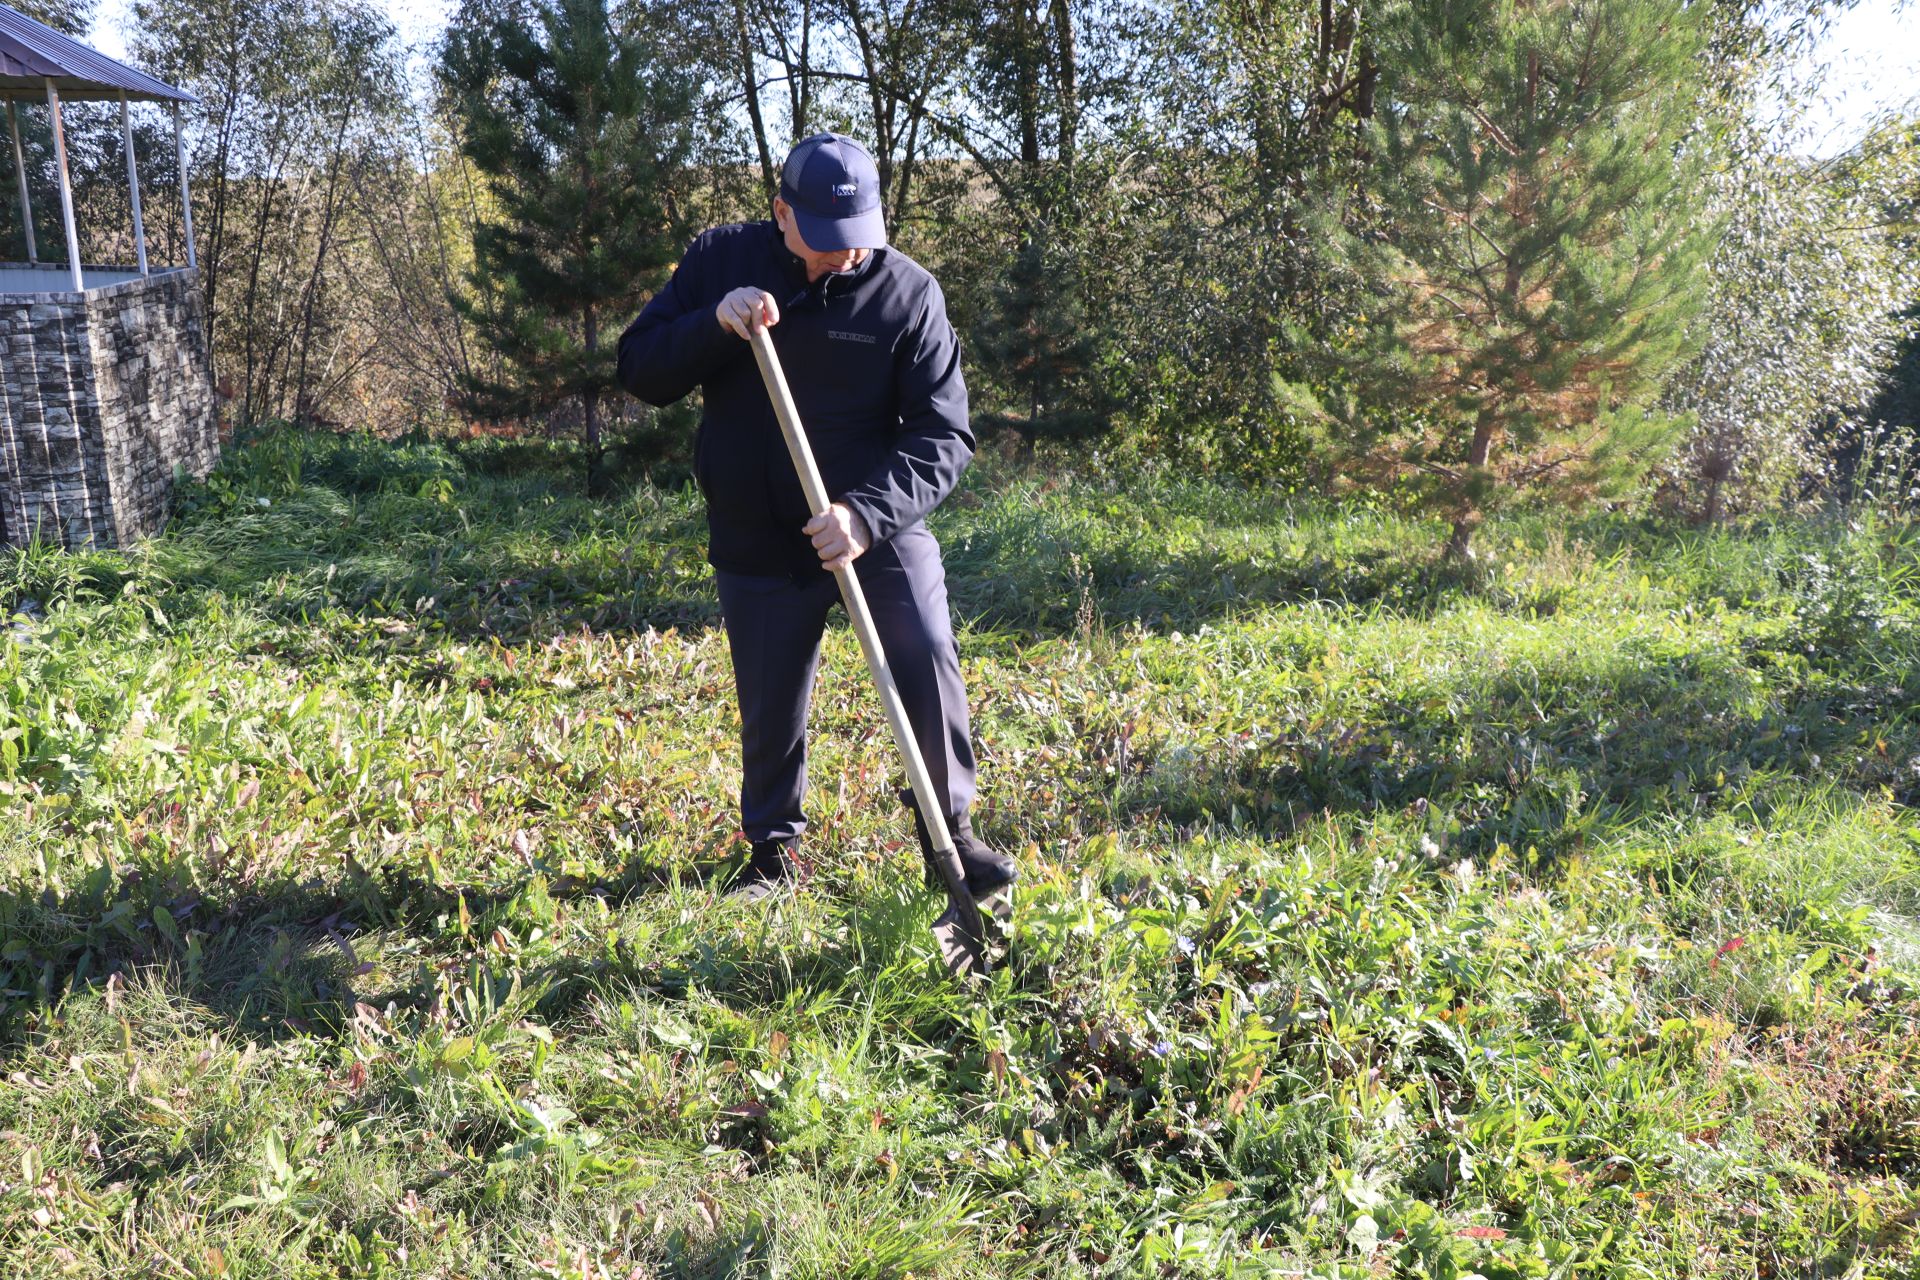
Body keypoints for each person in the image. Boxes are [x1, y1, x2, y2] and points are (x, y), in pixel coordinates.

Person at [616, 132, 1016, 905]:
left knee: (927, 651)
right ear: (780, 214)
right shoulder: (721, 260)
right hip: (758, 530)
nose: (843, 256)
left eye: (857, 238)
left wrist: (865, 516)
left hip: (875, 524)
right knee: (769, 701)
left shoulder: (908, 294)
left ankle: (951, 836)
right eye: (825, 240)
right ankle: (773, 854)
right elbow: (640, 367)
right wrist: (713, 324)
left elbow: (945, 434)